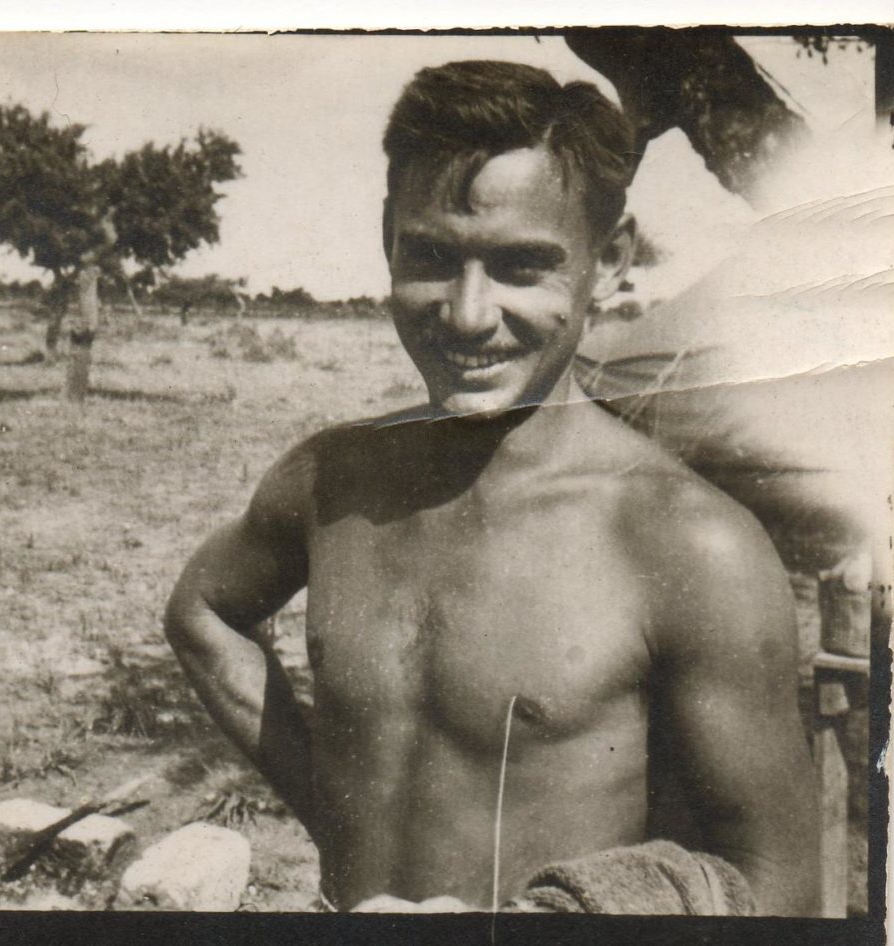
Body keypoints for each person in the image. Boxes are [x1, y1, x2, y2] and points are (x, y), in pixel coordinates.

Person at [164, 60, 819, 915]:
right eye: (432, 256)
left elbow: (787, 891)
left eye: (521, 267)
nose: (469, 314)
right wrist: (341, 815)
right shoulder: (333, 478)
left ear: (611, 261)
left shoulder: (687, 542)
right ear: (387, 240)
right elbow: (202, 614)